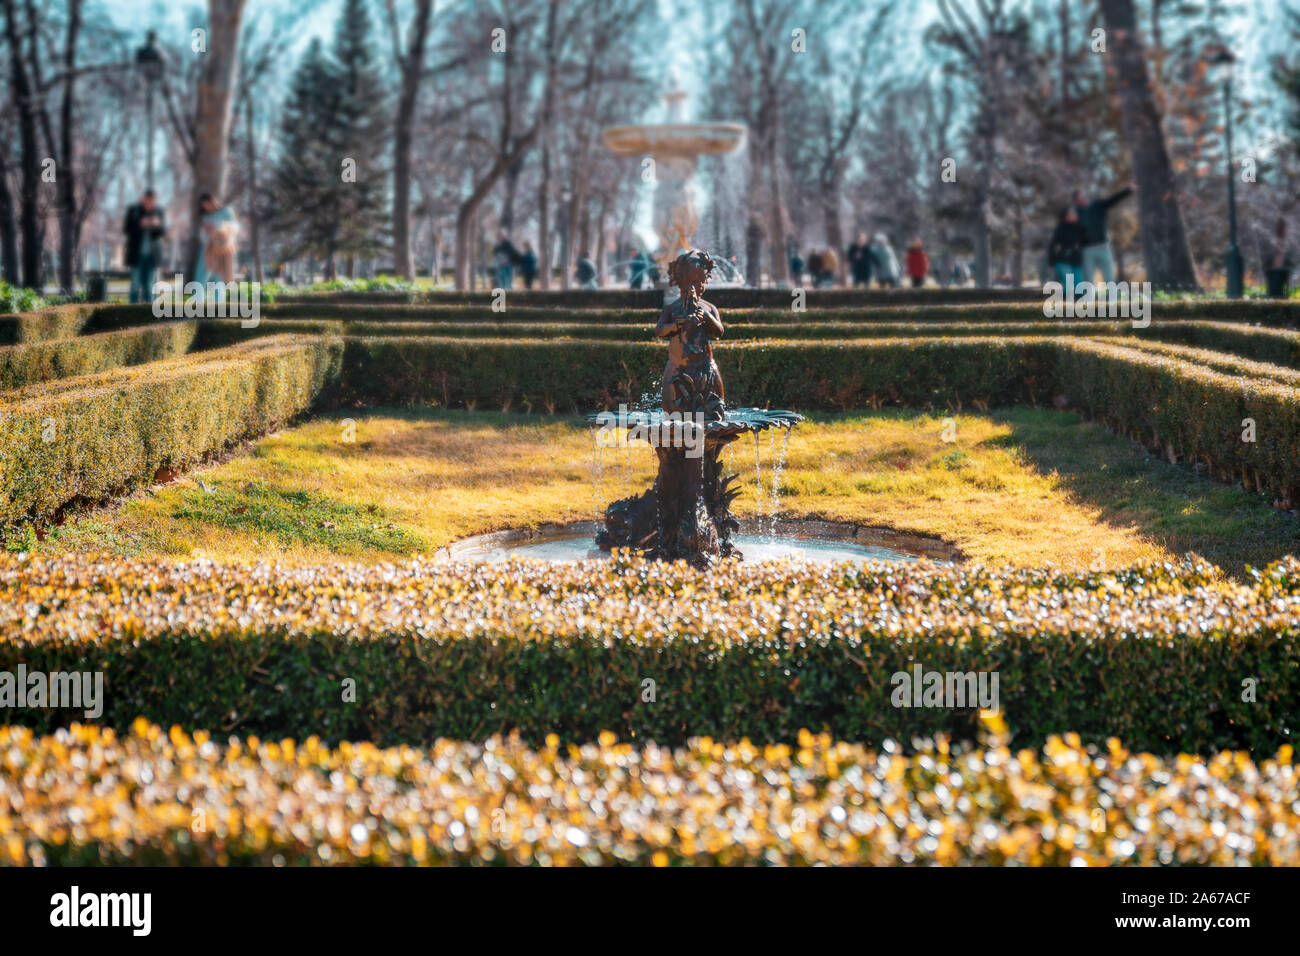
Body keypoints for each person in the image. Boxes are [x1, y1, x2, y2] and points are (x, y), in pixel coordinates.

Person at [655, 248, 724, 416]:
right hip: (678, 369)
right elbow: (659, 330)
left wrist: (707, 318)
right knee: (676, 412)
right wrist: (675, 326)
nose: (698, 286)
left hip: (706, 368)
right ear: (679, 281)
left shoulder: (709, 308)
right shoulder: (673, 308)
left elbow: (719, 332)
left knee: (714, 410)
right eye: (692, 282)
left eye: (702, 281)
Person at [1074, 184, 1133, 284]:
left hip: (1103, 247)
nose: (1083, 199)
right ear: (1076, 201)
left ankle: (1112, 297)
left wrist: (1128, 190)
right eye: (1079, 198)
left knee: (1109, 276)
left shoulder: (1097, 206)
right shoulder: (1076, 213)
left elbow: (1113, 200)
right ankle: (1089, 298)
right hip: (1087, 249)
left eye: (1083, 197)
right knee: (1088, 278)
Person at [123, 190, 166, 304]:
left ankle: (149, 312)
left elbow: (162, 232)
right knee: (135, 284)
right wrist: (140, 224)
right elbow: (126, 229)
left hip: (152, 256)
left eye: (152, 201)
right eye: (147, 201)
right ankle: (132, 310)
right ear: (143, 199)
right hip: (136, 255)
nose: (149, 204)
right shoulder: (134, 211)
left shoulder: (159, 212)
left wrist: (157, 225)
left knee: (150, 284)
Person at [195, 193, 239, 295]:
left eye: (207, 204)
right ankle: (197, 303)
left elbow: (234, 227)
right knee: (200, 276)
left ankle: (218, 305)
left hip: (221, 250)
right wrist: (204, 230)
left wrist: (216, 226)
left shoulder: (226, 211)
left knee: (218, 277)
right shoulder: (205, 216)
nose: (206, 207)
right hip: (207, 249)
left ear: (213, 201)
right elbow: (201, 235)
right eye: (204, 206)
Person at [1047, 206, 1087, 289]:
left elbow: (1087, 241)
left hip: (1077, 260)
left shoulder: (1080, 227)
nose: (1075, 215)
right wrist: (1051, 260)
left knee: (1079, 285)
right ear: (1066, 217)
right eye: (1072, 214)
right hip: (1063, 260)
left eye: (1075, 213)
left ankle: (1077, 298)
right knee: (1069, 284)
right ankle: (1066, 298)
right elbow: (1052, 245)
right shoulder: (1060, 228)